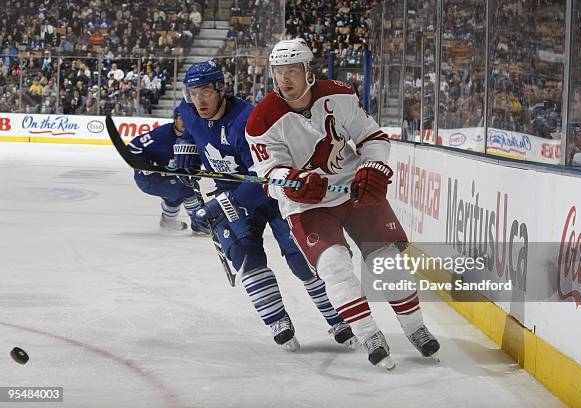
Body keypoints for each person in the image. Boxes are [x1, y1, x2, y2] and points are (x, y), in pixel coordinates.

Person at [245, 39, 440, 369]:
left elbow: (372, 137)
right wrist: (292, 182)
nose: (284, 80)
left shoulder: (339, 94)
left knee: (388, 260)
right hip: (308, 206)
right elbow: (269, 174)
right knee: (334, 267)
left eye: (292, 71)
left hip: (352, 190)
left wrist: (372, 166)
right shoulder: (261, 120)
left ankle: (415, 328)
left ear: (309, 72)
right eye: (278, 73)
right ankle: (369, 335)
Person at [173, 60, 358, 351]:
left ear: (222, 88)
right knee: (245, 257)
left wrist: (224, 203)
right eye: (192, 93)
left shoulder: (247, 120)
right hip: (233, 196)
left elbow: (262, 177)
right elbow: (184, 121)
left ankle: (340, 320)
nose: (199, 100)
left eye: (205, 91)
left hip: (274, 193)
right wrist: (185, 145)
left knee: (302, 260)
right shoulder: (189, 110)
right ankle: (277, 320)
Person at [128, 109, 208, 233]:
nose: (185, 122)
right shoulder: (161, 134)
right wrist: (145, 165)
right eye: (182, 118)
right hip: (148, 179)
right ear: (175, 119)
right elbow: (133, 148)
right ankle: (199, 223)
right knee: (187, 189)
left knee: (175, 197)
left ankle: (168, 223)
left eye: (188, 119)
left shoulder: (193, 136)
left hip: (168, 178)